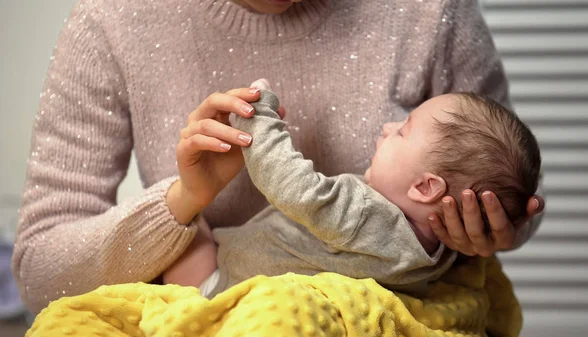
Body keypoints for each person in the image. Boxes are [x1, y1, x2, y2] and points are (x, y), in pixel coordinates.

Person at [12, 0, 545, 313]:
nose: (389, 129)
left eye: (402, 130)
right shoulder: (113, 19)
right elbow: (39, 275)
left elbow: (504, 179)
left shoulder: (431, 12)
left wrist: (494, 230)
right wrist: (182, 201)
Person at [163, 79, 541, 297]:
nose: (388, 128)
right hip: (244, 277)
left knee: (178, 223)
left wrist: (260, 118)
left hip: (222, 282)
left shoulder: (364, 215)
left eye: (404, 129)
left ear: (425, 187)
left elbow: (292, 185)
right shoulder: (436, 250)